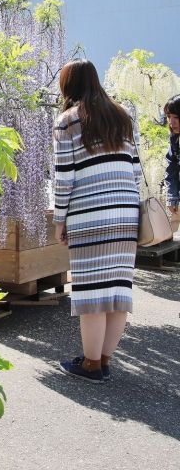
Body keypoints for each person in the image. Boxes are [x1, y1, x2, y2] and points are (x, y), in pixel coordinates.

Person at [53, 59, 141, 383]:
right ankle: (102, 360)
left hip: (91, 215)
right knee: (118, 291)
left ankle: (91, 365)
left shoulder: (67, 122)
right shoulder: (122, 115)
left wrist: (59, 219)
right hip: (126, 210)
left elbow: (64, 178)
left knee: (91, 294)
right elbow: (135, 168)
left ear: (69, 86)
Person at [163, 95, 180, 232]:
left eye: (176, 117)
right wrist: (172, 197)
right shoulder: (175, 139)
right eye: (169, 117)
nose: (171, 122)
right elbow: (171, 168)